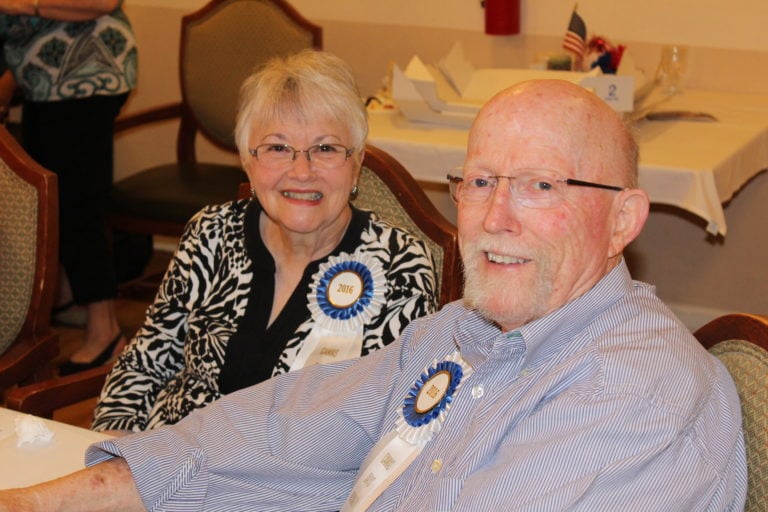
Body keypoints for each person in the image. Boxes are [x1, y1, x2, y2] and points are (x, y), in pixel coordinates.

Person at [0, 79, 747, 511]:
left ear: (623, 218)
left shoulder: (636, 393)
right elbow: (290, 423)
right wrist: (61, 496)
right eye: (480, 182)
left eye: (541, 186)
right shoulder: (463, 330)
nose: (494, 217)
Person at [89, 49, 439, 433]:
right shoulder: (210, 233)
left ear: (356, 164)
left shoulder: (399, 265)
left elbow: (396, 424)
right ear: (248, 161)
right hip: (163, 462)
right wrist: (113, 450)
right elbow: (145, 362)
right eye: (277, 148)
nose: (301, 171)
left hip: (298, 486)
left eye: (325, 148)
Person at [0, 1, 138, 374]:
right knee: (48, 204)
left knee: (78, 205)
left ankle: (105, 331)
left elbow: (102, 2)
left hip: (84, 79)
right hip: (44, 84)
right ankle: (69, 301)